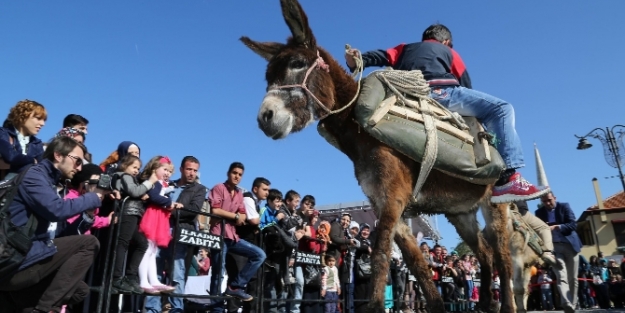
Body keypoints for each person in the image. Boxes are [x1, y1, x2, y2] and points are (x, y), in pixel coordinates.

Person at [344, 24, 549, 204]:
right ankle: (508, 179)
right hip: (442, 93)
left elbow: (377, 57)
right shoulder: (448, 52)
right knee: (502, 109)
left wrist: (355, 60)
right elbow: (467, 85)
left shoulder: (404, 48)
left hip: (405, 94)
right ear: (447, 41)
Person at [0, 136, 103, 312]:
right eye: (77, 161)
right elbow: (57, 210)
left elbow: (63, 233)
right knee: (89, 244)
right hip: (13, 258)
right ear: (58, 155)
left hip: (29, 255)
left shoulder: (52, 183)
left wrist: (88, 214)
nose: (79, 168)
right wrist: (93, 197)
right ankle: (45, 310)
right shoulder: (34, 175)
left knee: (79, 290)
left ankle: (14, 301)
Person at [145, 156, 208, 313]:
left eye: (195, 170)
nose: (192, 173)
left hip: (179, 232)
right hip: (159, 229)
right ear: (181, 169)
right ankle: (152, 307)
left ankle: (176, 308)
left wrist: (167, 209)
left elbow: (193, 209)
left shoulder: (199, 189)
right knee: (155, 270)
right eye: (189, 169)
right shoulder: (168, 184)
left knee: (177, 272)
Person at [208, 162, 266, 312]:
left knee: (259, 255)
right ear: (228, 173)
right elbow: (215, 210)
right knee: (218, 273)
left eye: (240, 174)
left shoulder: (240, 193)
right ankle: (217, 309)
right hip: (218, 234)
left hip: (233, 236)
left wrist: (237, 216)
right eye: (234, 173)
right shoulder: (218, 188)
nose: (237, 176)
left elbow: (243, 214)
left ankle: (235, 286)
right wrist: (235, 216)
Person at [111, 154, 157, 294]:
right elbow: (133, 191)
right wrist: (150, 182)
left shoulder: (130, 178)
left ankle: (131, 276)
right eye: (134, 167)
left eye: (138, 168)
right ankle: (116, 277)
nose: (136, 170)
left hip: (134, 213)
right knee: (123, 243)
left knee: (142, 243)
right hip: (128, 212)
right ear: (125, 166)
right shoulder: (125, 176)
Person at [137, 156, 181, 294]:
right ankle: (144, 280)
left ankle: (153, 280)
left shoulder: (162, 184)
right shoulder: (155, 182)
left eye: (169, 171)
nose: (167, 173)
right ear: (155, 169)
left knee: (153, 250)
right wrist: (169, 203)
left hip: (159, 216)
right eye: (164, 169)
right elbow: (154, 197)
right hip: (153, 216)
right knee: (148, 249)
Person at [535, 192, 582, 313]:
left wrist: (557, 227)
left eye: (549, 200)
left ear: (554, 198)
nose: (547, 203)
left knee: (573, 278)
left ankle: (573, 304)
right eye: (544, 201)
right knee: (561, 276)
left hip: (570, 246)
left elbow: (573, 225)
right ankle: (566, 302)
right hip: (554, 248)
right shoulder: (539, 213)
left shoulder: (564, 207)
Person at [0, 100, 47, 179]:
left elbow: (43, 169)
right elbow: (10, 156)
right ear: (23, 116)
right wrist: (32, 160)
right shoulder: (3, 133)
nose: (43, 123)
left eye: (44, 120)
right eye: (38, 118)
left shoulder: (36, 143)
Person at [64, 163, 115, 235]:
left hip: (84, 241)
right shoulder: (71, 198)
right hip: (74, 239)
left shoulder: (87, 199)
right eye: (98, 182)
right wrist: (94, 198)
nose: (100, 186)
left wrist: (107, 220)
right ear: (85, 183)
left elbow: (93, 220)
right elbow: (75, 221)